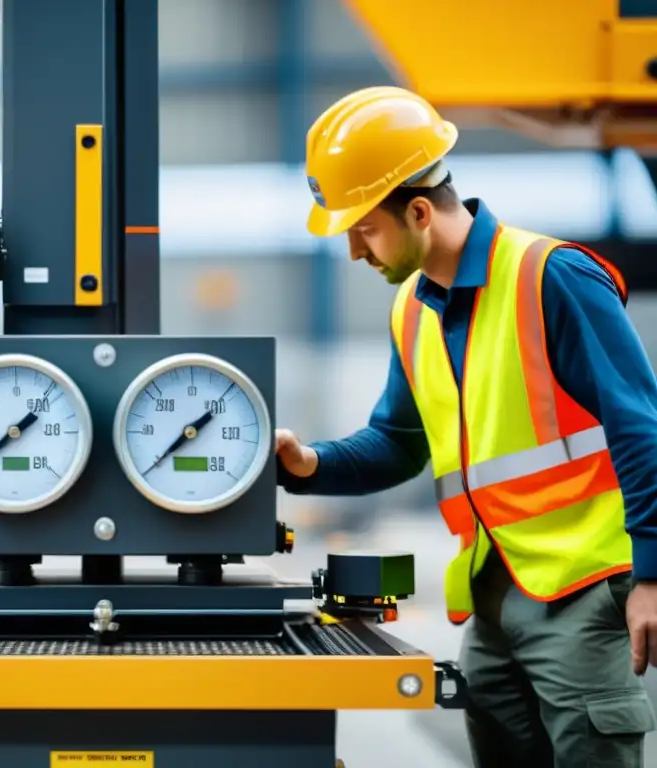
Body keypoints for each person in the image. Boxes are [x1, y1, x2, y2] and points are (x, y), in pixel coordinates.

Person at [276, 85, 657, 767]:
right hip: (492, 602)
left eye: (364, 229)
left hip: (583, 596)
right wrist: (311, 463)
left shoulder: (552, 277)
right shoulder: (412, 311)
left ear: (419, 211)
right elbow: (397, 443)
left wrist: (654, 577)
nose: (358, 252)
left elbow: (641, 430)